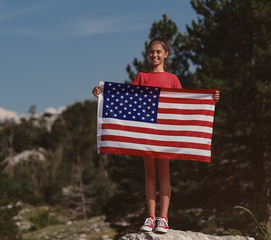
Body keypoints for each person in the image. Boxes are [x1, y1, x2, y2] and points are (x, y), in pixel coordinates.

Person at [92, 36, 220, 233]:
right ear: (148, 54)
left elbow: (182, 106)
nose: (155, 55)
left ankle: (164, 218)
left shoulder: (172, 79)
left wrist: (210, 98)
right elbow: (128, 99)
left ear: (166, 54)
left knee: (164, 173)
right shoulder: (141, 77)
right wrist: (104, 94)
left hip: (165, 135)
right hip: (147, 132)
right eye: (152, 52)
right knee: (150, 174)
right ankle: (151, 217)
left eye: (159, 51)